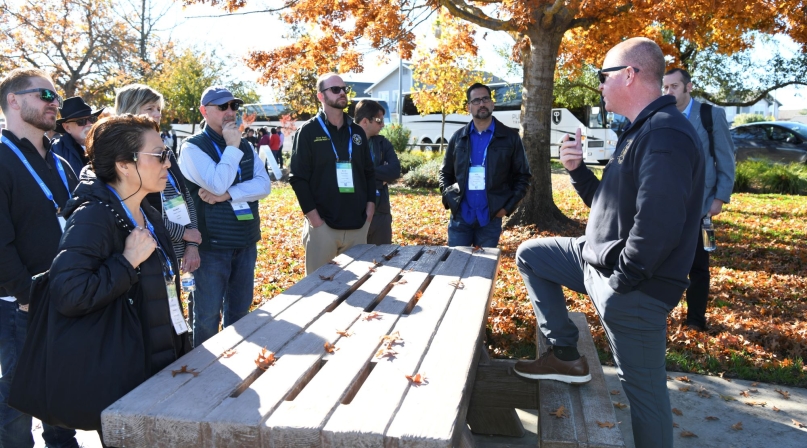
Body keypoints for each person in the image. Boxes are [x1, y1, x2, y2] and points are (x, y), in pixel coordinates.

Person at [513, 38, 704, 448]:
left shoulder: (666, 134)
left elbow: (659, 227)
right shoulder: (640, 130)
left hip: (634, 289)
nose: (599, 85)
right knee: (531, 254)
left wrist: (622, 282)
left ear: (630, 74)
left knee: (646, 402)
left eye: (604, 75)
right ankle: (566, 354)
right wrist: (578, 172)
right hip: (594, 262)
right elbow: (610, 205)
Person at [45, 114, 190, 434]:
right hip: (125, 382)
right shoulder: (93, 216)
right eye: (159, 155)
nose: (168, 163)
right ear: (124, 164)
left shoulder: (146, 211)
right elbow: (69, 293)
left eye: (168, 154)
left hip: (160, 367)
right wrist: (126, 262)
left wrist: (182, 350)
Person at [0, 68, 80, 448]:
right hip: (21, 306)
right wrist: (27, 296)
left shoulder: (61, 162)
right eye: (45, 96)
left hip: (65, 297)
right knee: (18, 400)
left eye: (57, 99)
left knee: (62, 391)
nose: (55, 105)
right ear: (13, 101)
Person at [178, 86, 271, 347]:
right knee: (207, 316)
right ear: (204, 111)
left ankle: (235, 369)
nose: (230, 112)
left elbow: (264, 186)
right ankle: (201, 378)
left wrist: (228, 195)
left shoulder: (247, 146)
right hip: (211, 247)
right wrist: (232, 147)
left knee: (240, 314)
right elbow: (217, 183)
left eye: (233, 107)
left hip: (245, 241)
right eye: (222, 107)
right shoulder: (192, 148)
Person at [663, 68, 736, 331]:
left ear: (688, 87)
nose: (668, 92)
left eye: (674, 86)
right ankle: (658, 316)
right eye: (665, 87)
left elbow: (725, 158)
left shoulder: (710, 115)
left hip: (701, 206)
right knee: (664, 261)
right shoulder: (662, 115)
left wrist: (719, 198)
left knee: (699, 265)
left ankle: (695, 320)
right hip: (667, 205)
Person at [289, 73, 375, 274]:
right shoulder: (308, 132)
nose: (342, 93)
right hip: (324, 227)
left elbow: (369, 173)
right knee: (320, 289)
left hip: (358, 225)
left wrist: (370, 210)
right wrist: (315, 220)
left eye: (344, 89)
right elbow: (298, 179)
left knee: (356, 292)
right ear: (321, 96)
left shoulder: (357, 132)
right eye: (335, 89)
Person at [115, 83, 202, 277]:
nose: (157, 114)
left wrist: (192, 242)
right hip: (146, 256)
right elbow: (138, 212)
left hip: (175, 253)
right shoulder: (123, 157)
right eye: (150, 108)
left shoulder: (166, 151)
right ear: (129, 110)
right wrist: (183, 233)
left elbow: (184, 196)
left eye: (158, 109)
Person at [439, 82, 531, 247]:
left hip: (490, 218)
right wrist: (450, 200)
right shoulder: (457, 138)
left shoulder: (510, 137)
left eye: (485, 99)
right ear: (469, 107)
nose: (481, 104)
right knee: (454, 267)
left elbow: (523, 176)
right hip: (461, 217)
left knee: (484, 270)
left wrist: (506, 208)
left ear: (492, 103)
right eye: (476, 101)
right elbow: (445, 174)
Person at [354, 99, 401, 244]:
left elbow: (395, 170)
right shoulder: (348, 143)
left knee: (384, 263)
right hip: (355, 214)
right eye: (379, 121)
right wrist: (381, 177)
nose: (383, 125)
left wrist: (364, 173)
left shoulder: (383, 143)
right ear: (365, 121)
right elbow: (350, 174)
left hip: (381, 214)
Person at [51, 96, 104, 176]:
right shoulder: (56, 150)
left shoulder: (107, 142)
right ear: (67, 127)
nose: (89, 124)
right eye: (81, 121)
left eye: (92, 119)